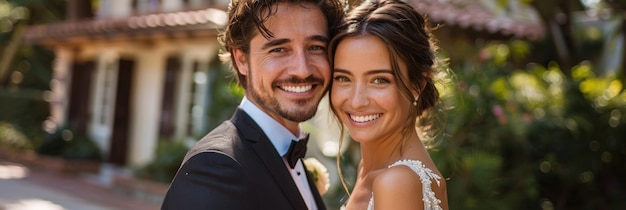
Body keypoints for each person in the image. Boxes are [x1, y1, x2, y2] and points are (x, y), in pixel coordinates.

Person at [161, 0, 344, 209]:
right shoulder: (214, 168)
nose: (302, 70)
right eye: (279, 49)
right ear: (241, 60)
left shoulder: (290, 157)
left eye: (316, 47)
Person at [328, 0, 449, 209]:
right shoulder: (371, 168)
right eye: (343, 78)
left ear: (417, 85)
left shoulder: (397, 182)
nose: (357, 101)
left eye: (379, 80)